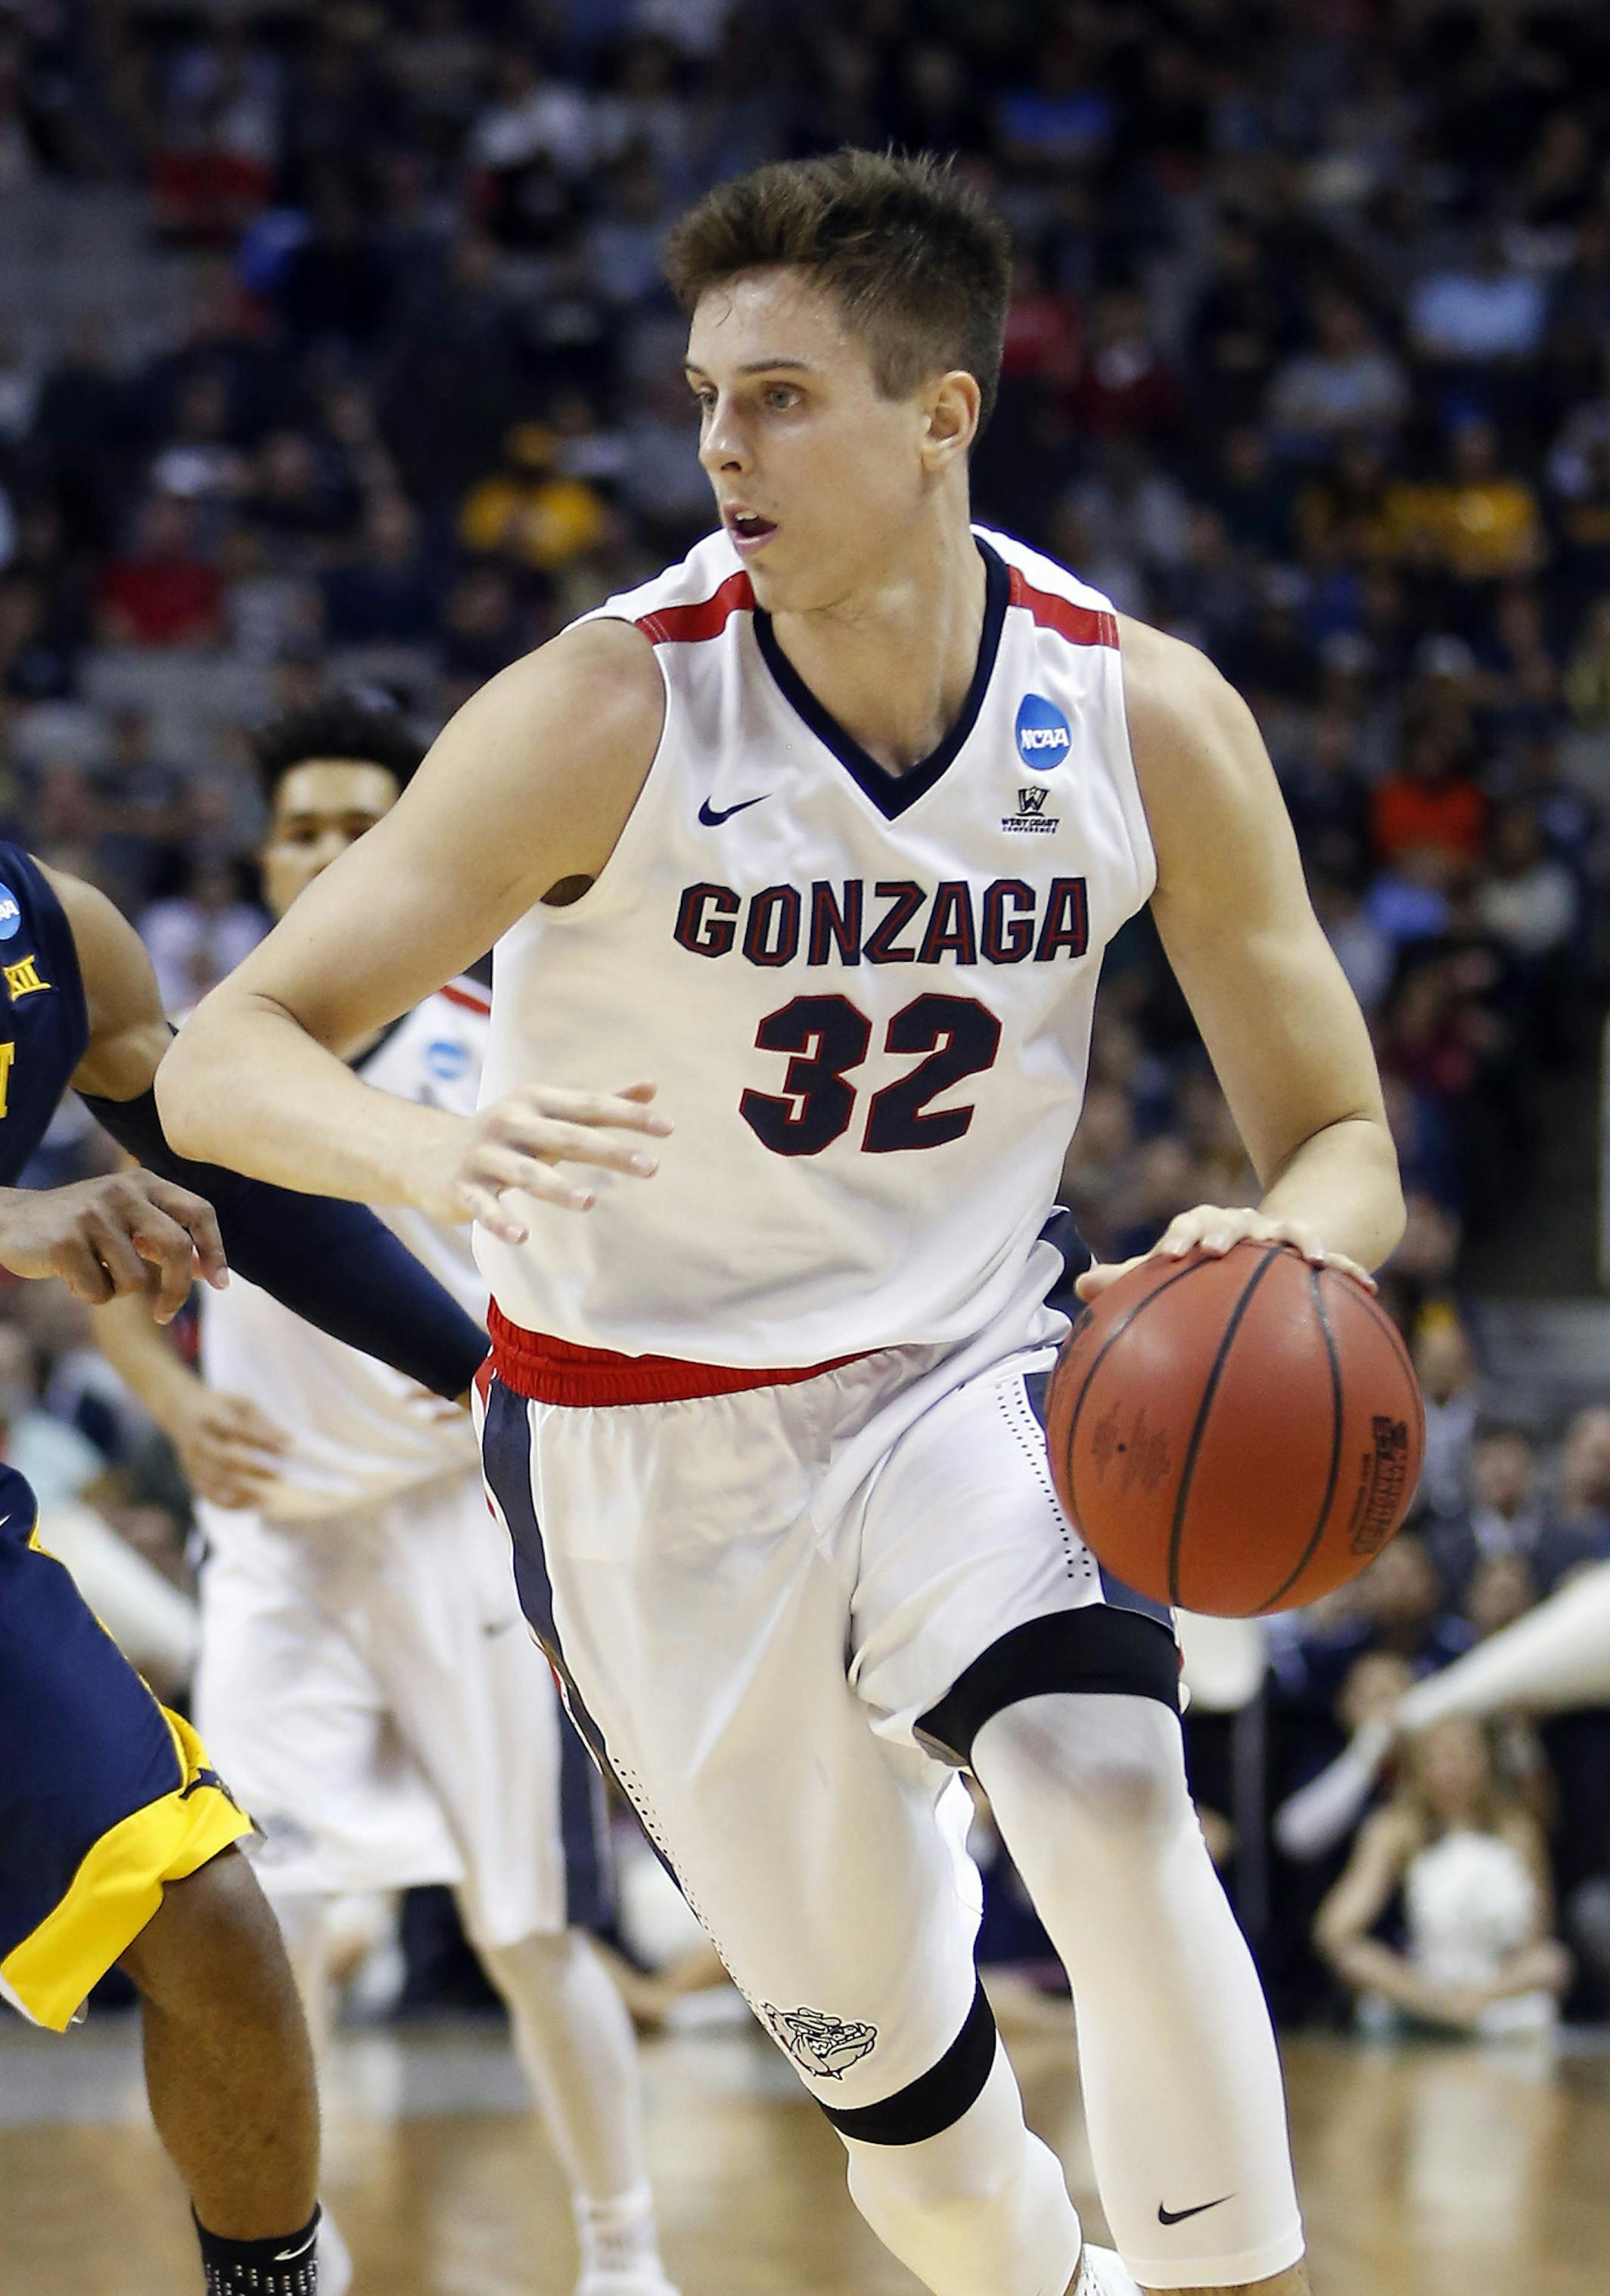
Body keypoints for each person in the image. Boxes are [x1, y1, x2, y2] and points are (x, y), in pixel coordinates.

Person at [160, 151, 1407, 2296]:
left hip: (968, 1382)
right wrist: (425, 1159)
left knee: (1106, 1794)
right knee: (918, 2145)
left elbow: (1347, 1136)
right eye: (705, 394)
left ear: (944, 415)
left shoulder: (1140, 717)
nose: (722, 443)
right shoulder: (606, 706)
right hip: (641, 1445)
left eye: (784, 395)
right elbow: (222, 1055)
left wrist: (1278, 1239)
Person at [100, 691, 678, 2296]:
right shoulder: (204, 1051)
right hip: (275, 1543)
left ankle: (625, 2253)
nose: (334, 851)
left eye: (367, 824)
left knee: (528, 1925)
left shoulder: (496, 1038)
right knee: (236, 1912)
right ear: (267, 853)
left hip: (456, 1529)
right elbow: (111, 1234)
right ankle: (294, 2246)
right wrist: (176, 1397)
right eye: (305, 827)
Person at [0, 831, 493, 2296]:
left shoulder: (53, 928)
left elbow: (221, 1161)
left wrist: (481, 1376)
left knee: (212, 1914)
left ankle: (270, 2280)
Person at [1314, 1714, 1569, 2039]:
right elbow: (1334, 1932)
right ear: (1418, 1766)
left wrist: (1485, 1993)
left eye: (1466, 1756)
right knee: (1353, 1960)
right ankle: (1444, 2012)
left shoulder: (1517, 1829)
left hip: (1497, 1986)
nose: (1455, 1771)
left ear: (1488, 1761)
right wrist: (1427, 1996)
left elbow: (1536, 1937)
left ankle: (1466, 2011)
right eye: (1440, 1758)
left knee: (1552, 1963)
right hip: (1423, 1986)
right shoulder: (1395, 1828)